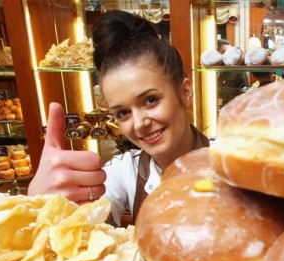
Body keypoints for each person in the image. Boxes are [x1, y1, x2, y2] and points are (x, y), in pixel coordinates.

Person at [28, 10, 208, 226]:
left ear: (185, 92)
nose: (140, 123)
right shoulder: (124, 172)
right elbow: (88, 222)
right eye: (123, 113)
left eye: (150, 100)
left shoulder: (232, 163)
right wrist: (44, 206)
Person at [216, 39, 249, 109]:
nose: (228, 55)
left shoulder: (238, 71)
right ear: (217, 53)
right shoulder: (209, 73)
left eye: (229, 52)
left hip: (232, 111)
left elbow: (245, 94)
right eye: (224, 52)